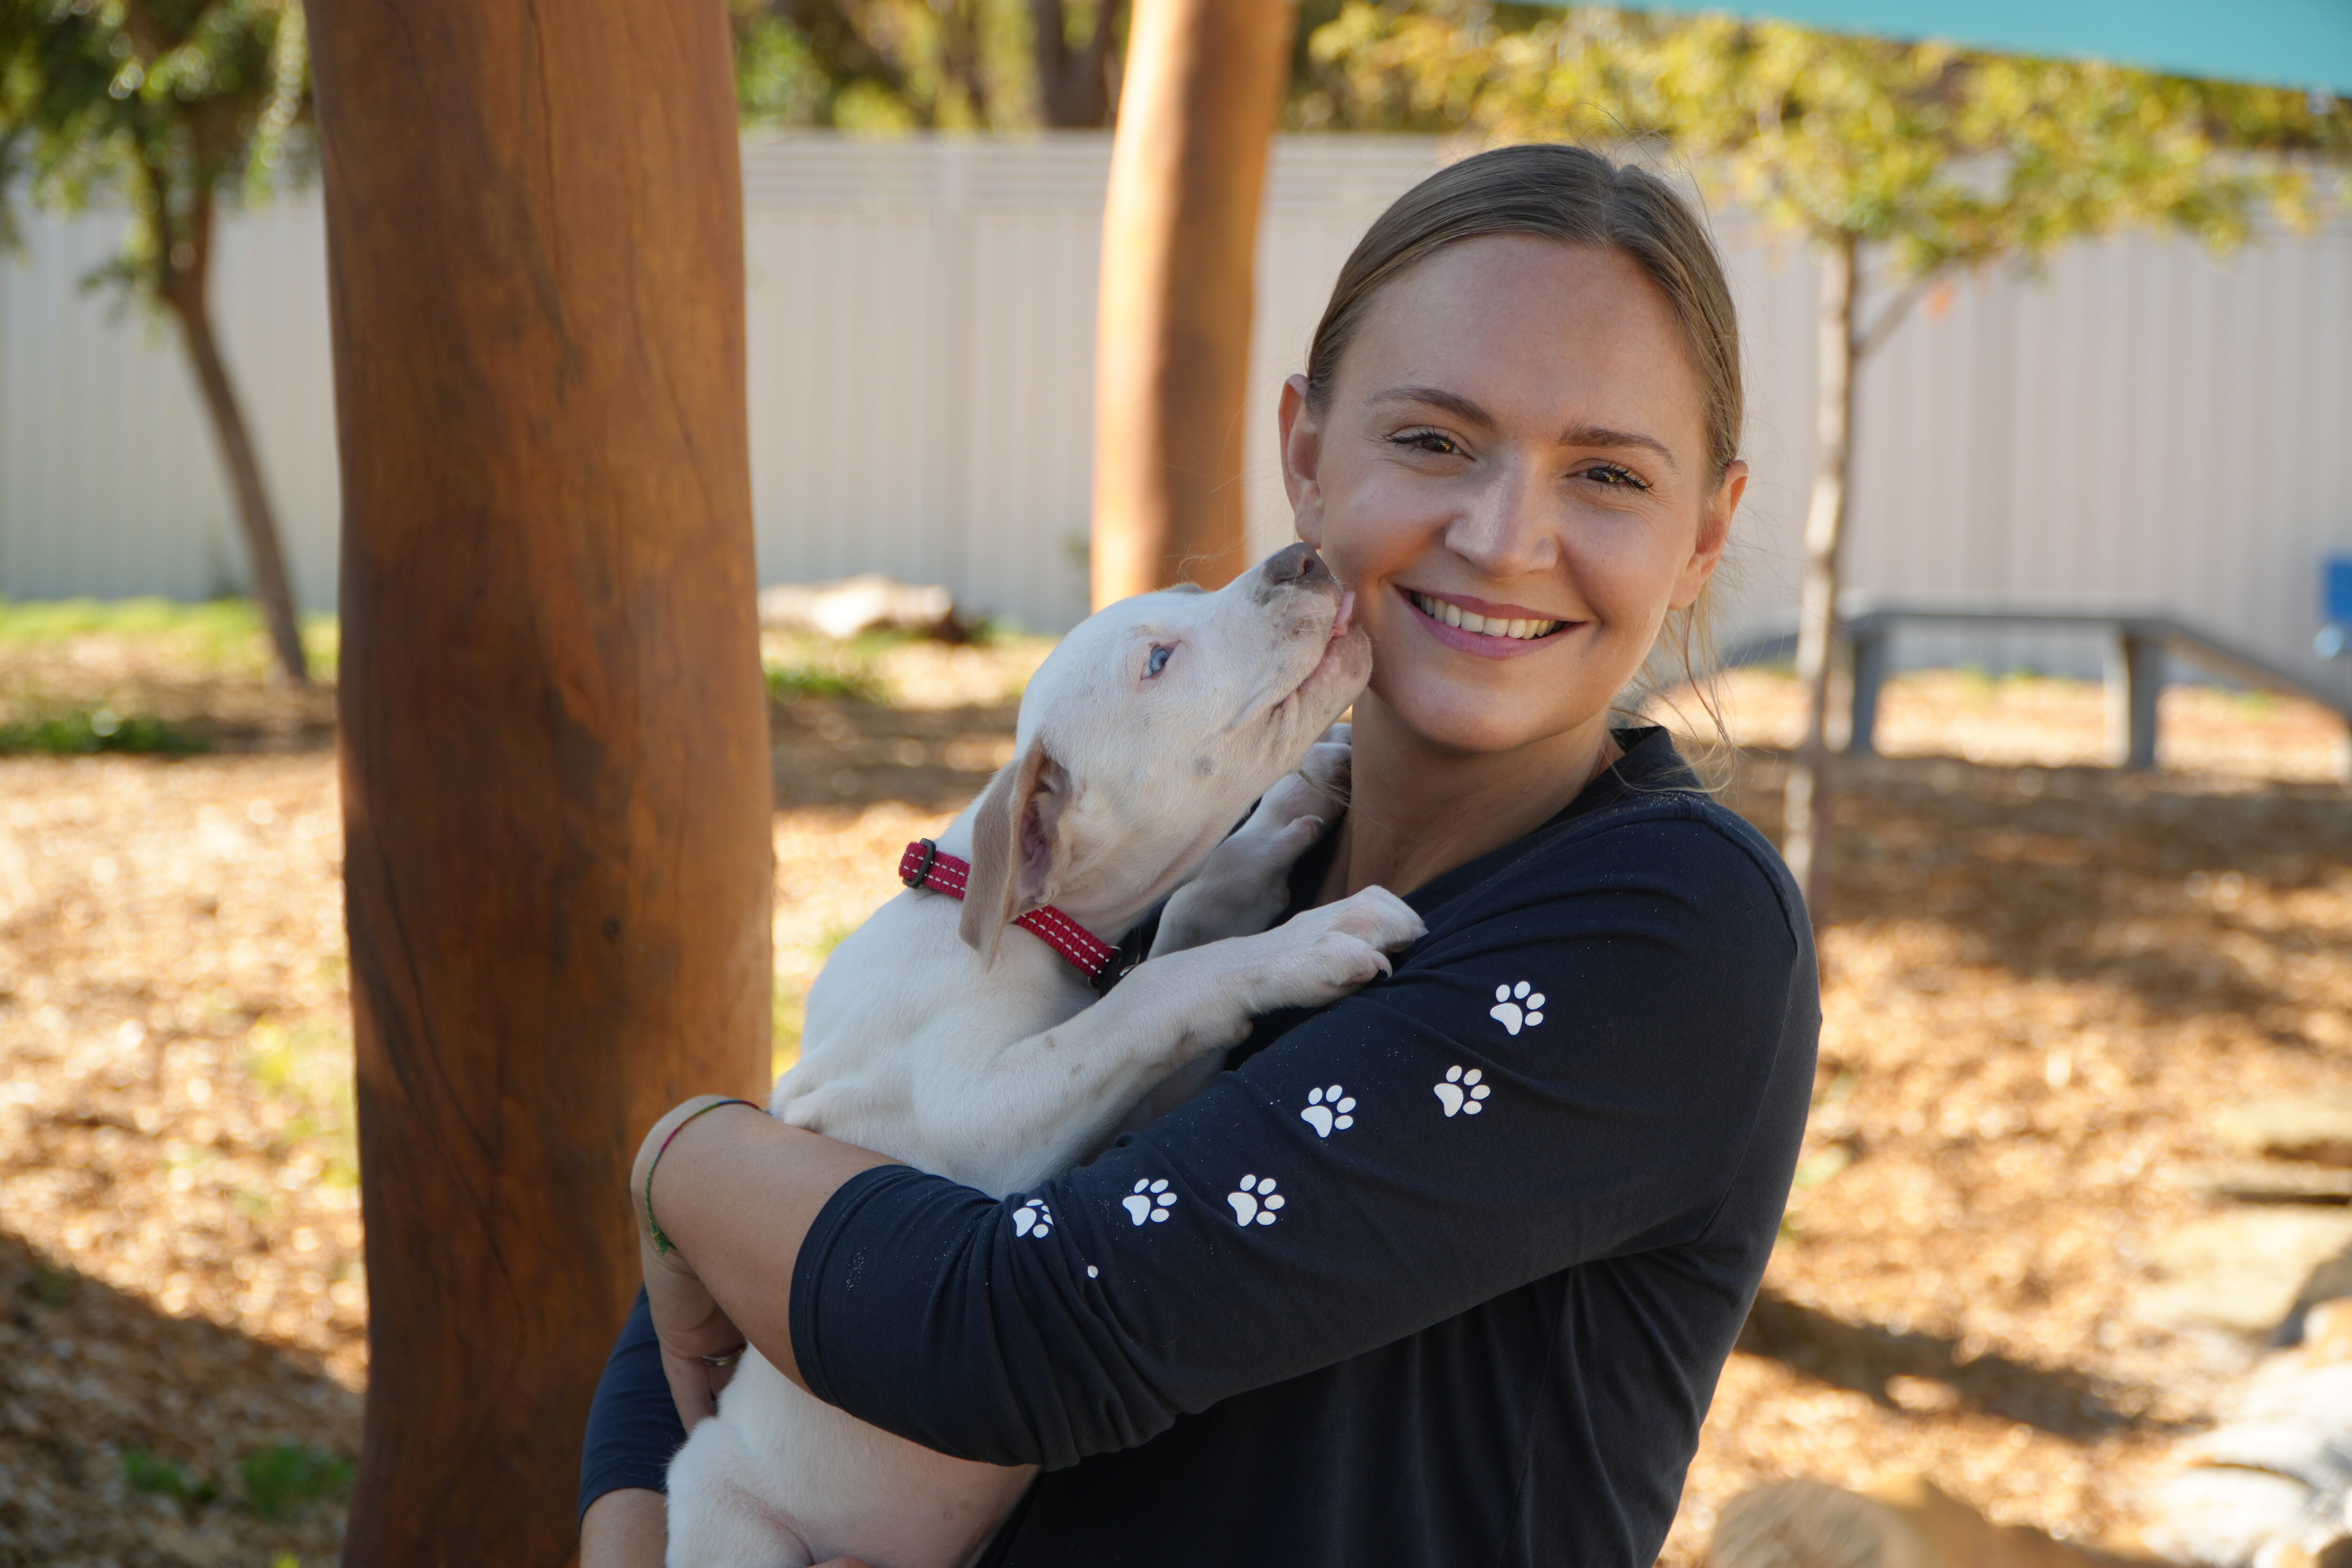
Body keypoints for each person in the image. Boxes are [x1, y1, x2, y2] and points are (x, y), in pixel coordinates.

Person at [580, 142, 1818, 1568]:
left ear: (1707, 532)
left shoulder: (1665, 937)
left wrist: (685, 1157)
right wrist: (632, 1525)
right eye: (1431, 441)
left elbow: (1022, 1328)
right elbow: (773, 1272)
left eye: (1605, 472)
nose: (1501, 536)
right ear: (1304, 453)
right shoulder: (1209, 840)